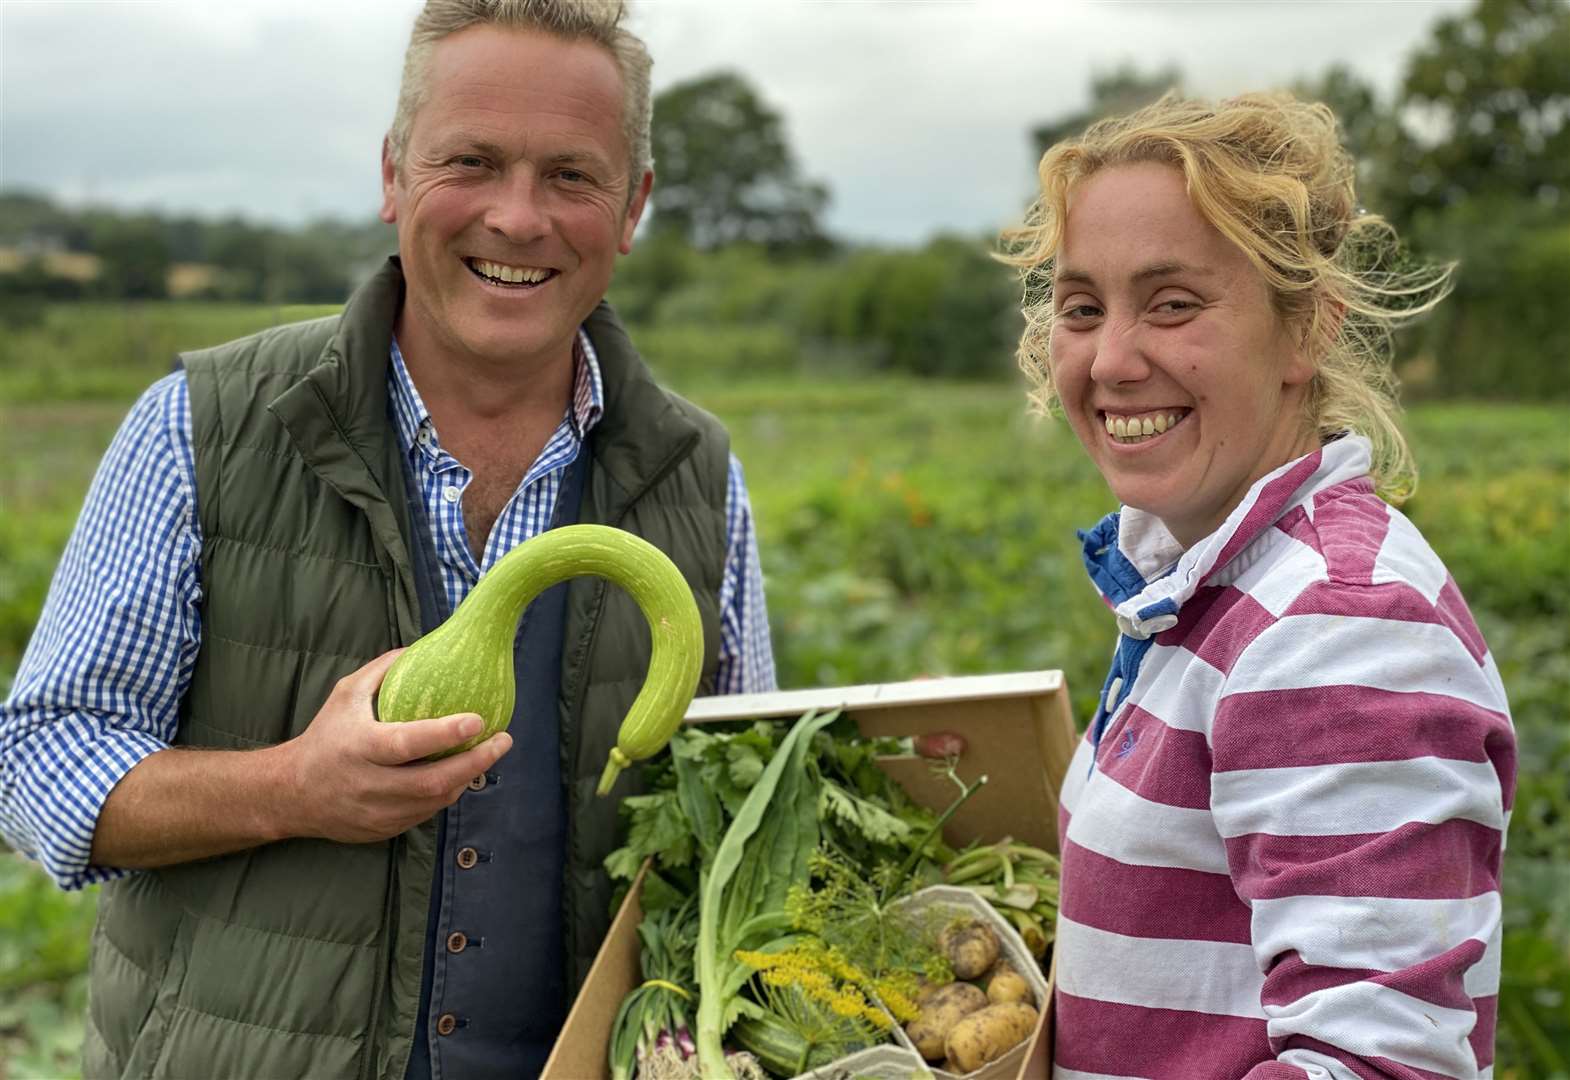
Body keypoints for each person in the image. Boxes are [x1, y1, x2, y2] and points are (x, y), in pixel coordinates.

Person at [0, 2, 775, 1077]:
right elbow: (38, 765)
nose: (517, 217)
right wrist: (290, 788)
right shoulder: (203, 423)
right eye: (471, 161)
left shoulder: (698, 475)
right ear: (392, 174)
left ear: (632, 206)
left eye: (570, 176)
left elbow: (742, 800)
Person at [1001, 92, 1515, 1078]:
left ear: (1307, 329)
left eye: (1173, 303)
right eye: (1080, 308)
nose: (1111, 359)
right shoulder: (1209, 588)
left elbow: (1377, 1064)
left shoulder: (1337, 630)